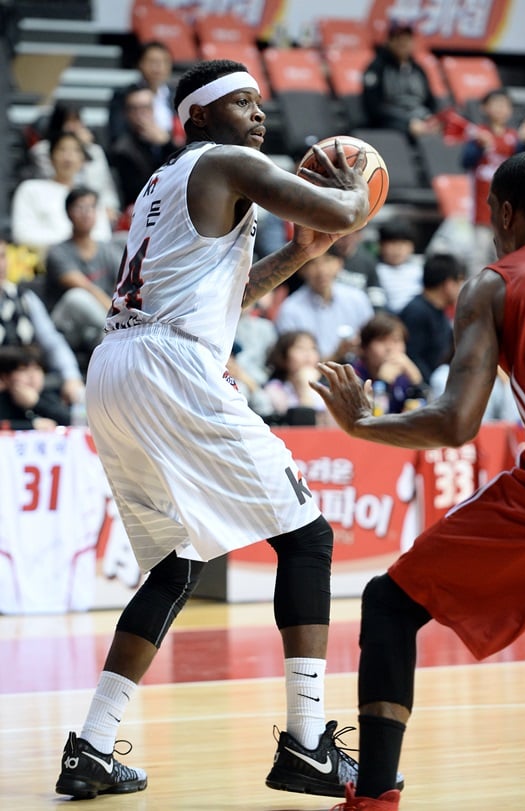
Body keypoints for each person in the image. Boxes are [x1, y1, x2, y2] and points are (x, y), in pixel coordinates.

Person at [54, 58, 379, 802]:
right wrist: (353, 174)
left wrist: (296, 255)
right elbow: (344, 209)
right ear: (199, 115)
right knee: (309, 536)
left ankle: (92, 748)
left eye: (262, 103)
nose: (259, 114)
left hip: (121, 362)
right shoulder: (230, 159)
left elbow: (225, 302)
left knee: (174, 565)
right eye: (241, 101)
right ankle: (307, 744)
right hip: (167, 364)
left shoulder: (166, 182)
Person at [310, 148, 525, 810]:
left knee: (389, 603)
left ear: (502, 213)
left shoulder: (495, 284)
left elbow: (455, 422)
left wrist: (363, 424)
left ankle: (375, 793)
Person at [44, 186, 123, 366]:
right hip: (65, 327)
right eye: (80, 208)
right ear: (68, 213)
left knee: (103, 339)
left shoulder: (107, 249)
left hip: (97, 327)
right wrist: (114, 316)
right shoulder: (58, 252)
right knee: (77, 297)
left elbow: (124, 284)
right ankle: (120, 330)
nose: (86, 214)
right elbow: (82, 286)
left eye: (91, 208)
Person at [0, 236, 84, 406]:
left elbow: (52, 341)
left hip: (29, 380)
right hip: (4, 382)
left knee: (68, 397)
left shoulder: (25, 298)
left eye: (2, 256)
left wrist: (71, 376)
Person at [462, 87, 525, 276]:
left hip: (509, 211)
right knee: (478, 257)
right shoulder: (478, 134)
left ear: (510, 110)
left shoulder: (514, 137)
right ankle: (477, 298)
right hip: (482, 209)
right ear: (484, 108)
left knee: (507, 256)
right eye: (494, 104)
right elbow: (465, 162)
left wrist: (523, 141)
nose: (499, 109)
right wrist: (480, 146)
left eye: (504, 105)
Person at [11, 131, 112, 256]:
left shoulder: (90, 195)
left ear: (83, 160)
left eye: (75, 151)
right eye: (62, 149)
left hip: (87, 264)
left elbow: (103, 236)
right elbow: (22, 235)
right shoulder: (30, 189)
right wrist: (70, 245)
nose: (68, 156)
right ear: (51, 157)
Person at [27, 101, 121, 225]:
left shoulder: (94, 150)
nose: (73, 127)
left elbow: (105, 185)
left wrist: (109, 207)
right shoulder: (42, 150)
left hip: (94, 209)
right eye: (68, 122)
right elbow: (57, 180)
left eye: (76, 121)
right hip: (56, 209)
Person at [275, 246, 373, 361]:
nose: (321, 270)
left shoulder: (357, 299)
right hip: (311, 375)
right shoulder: (290, 309)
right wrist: (336, 355)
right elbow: (292, 363)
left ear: (340, 263)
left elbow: (372, 341)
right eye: (313, 263)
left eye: (328, 260)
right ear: (301, 269)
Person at [362, 19, 440, 140]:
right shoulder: (377, 68)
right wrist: (407, 123)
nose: (403, 43)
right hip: (391, 121)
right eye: (398, 38)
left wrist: (431, 119)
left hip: (420, 118)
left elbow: (430, 102)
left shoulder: (418, 69)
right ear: (389, 41)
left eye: (407, 39)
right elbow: (374, 108)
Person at [108, 83, 177, 211]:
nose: (141, 114)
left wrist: (167, 144)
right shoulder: (121, 149)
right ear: (126, 113)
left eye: (145, 108)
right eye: (134, 109)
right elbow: (144, 188)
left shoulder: (166, 137)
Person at [399, 252, 465, 384]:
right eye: (460, 282)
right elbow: (412, 355)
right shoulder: (417, 312)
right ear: (448, 284)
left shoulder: (439, 311)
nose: (461, 289)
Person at [107, 40, 184, 148]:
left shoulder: (178, 95)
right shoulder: (124, 95)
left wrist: (166, 140)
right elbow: (117, 135)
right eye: (152, 61)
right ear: (139, 64)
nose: (158, 67)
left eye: (164, 61)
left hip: (172, 153)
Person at [250, 329, 334, 425]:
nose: (308, 354)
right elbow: (301, 427)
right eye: (300, 348)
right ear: (284, 357)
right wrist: (305, 389)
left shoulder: (327, 390)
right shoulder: (273, 390)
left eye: (313, 348)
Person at [352, 313, 425, 414]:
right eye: (381, 340)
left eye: (396, 340)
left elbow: (425, 419)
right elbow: (374, 419)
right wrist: (383, 383)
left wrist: (417, 383)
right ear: (364, 348)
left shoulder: (404, 378)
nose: (390, 348)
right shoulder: (353, 376)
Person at [0, 344, 71, 430]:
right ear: (6, 377)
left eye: (37, 369)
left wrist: (36, 403)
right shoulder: (3, 399)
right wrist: (31, 426)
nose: (32, 375)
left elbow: (70, 420)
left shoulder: (47, 396)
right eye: (23, 370)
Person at [374, 218, 423, 313]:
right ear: (380, 245)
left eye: (403, 244)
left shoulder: (419, 271)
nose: (397, 249)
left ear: (412, 247)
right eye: (392, 243)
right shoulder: (375, 270)